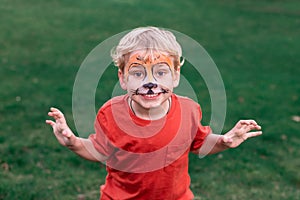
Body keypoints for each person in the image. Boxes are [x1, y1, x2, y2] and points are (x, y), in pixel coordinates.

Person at [46, 26, 262, 200]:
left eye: (161, 72)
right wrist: (72, 142)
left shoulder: (188, 110)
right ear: (122, 78)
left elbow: (200, 142)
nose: (150, 82)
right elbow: (99, 150)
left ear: (175, 76)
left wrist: (225, 141)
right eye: (138, 73)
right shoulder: (111, 113)